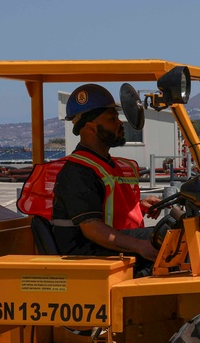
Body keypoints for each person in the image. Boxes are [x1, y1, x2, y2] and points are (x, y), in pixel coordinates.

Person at [51, 84, 161, 273]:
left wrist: (139, 206)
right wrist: (139, 245)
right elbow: (92, 229)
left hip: (102, 243)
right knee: (164, 238)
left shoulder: (103, 164)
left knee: (172, 233)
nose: (120, 123)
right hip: (86, 252)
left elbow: (105, 207)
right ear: (91, 127)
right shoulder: (78, 171)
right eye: (112, 118)